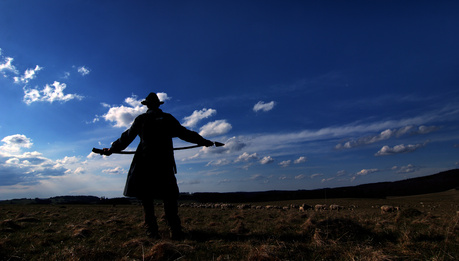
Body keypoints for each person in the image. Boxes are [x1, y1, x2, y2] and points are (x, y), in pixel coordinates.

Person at [102, 92, 214, 240]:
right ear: (156, 104)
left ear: (147, 105)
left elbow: (127, 137)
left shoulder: (143, 119)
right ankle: (174, 231)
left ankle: (154, 231)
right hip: (163, 163)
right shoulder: (166, 119)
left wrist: (112, 149)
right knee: (168, 198)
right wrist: (203, 141)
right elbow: (185, 133)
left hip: (146, 163)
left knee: (149, 199)